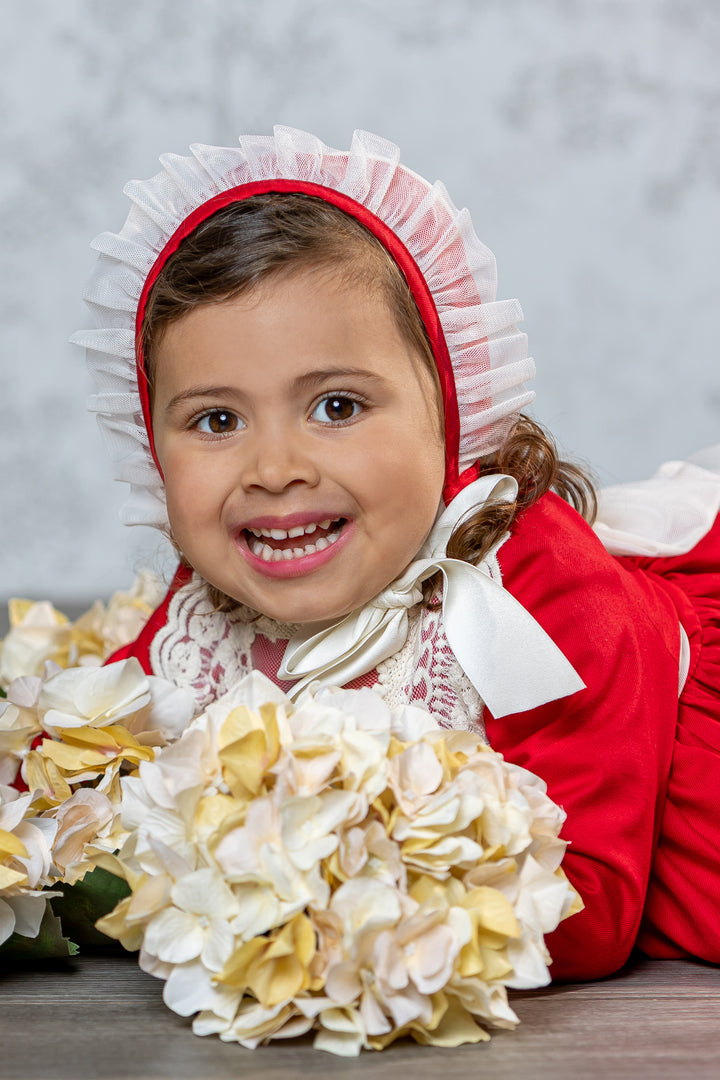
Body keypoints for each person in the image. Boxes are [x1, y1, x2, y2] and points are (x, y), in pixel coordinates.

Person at [73, 127, 720, 982]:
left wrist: (304, 896)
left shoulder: (541, 596)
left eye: (337, 406)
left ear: (452, 414)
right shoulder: (210, 601)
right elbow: (90, 767)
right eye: (217, 421)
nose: (275, 470)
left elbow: (588, 906)